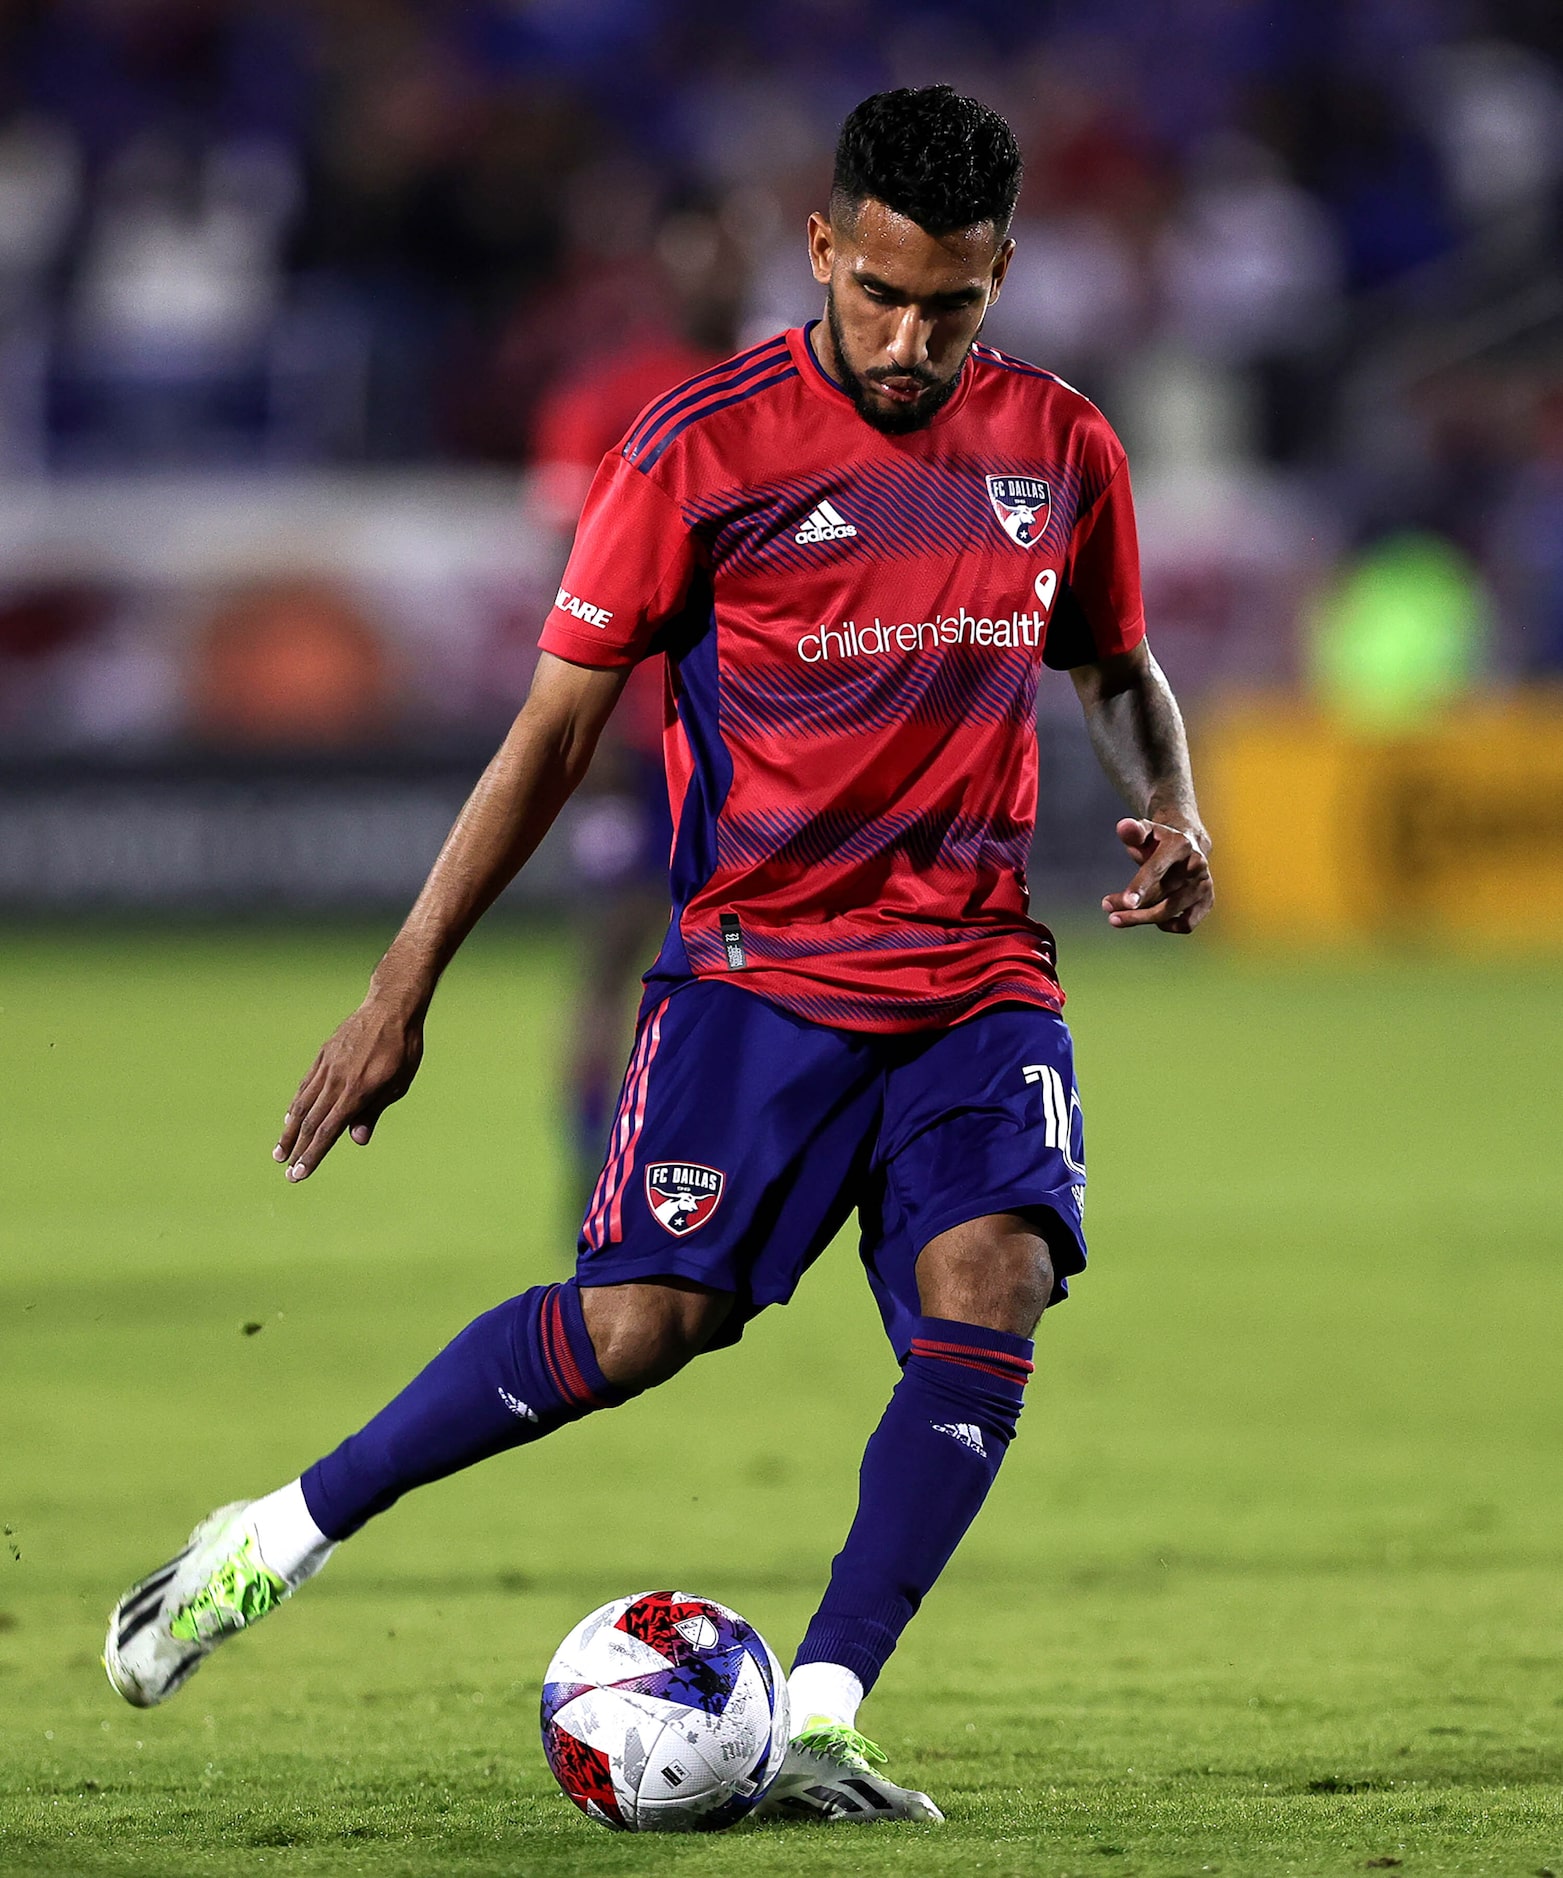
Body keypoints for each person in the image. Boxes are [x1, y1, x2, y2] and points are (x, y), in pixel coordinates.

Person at [105, 87, 1213, 1825]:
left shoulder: (1061, 443)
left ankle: (827, 1710)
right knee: (639, 1325)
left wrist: (1175, 808)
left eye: (958, 306)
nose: (916, 341)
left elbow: (1118, 669)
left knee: (991, 1284)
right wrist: (402, 989)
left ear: (1004, 275)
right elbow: (547, 738)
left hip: (977, 969)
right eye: (885, 297)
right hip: (758, 974)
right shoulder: (698, 451)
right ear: (824, 248)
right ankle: (270, 1536)